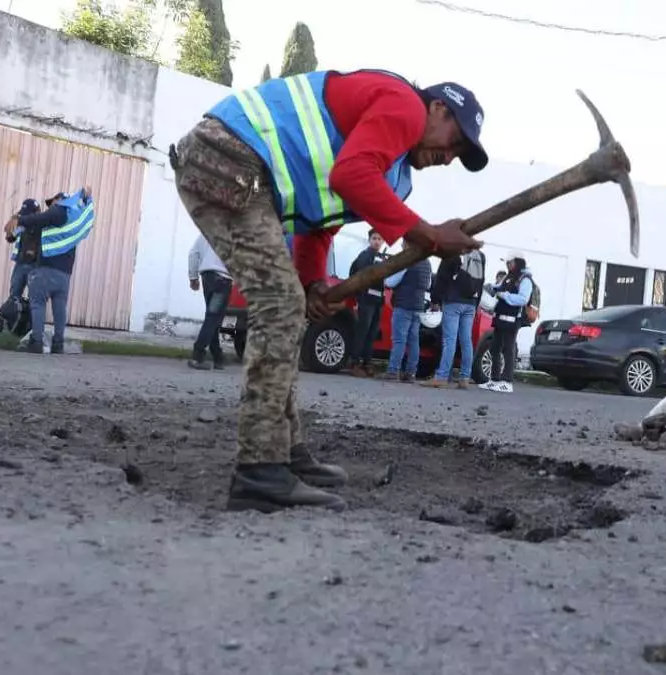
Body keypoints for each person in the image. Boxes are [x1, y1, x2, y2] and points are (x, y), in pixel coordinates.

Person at [169, 68, 486, 513]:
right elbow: (351, 176)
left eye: (459, 154)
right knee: (279, 306)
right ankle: (260, 472)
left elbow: (320, 220)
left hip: (233, 165)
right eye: (455, 141)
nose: (449, 156)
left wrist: (315, 282)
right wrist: (428, 235)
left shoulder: (391, 162)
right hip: (228, 157)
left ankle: (286, 453)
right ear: (437, 108)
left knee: (289, 305)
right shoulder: (405, 107)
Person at [3, 188, 95, 354]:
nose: (51, 205)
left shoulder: (59, 211)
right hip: (64, 275)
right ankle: (58, 344)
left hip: (46, 271)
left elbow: (44, 217)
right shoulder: (73, 222)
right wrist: (87, 199)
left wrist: (20, 219)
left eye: (53, 201)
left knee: (37, 305)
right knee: (59, 309)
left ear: (61, 200)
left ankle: (36, 342)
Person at [424, 248, 486, 388]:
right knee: (466, 340)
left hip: (453, 301)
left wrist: (435, 300)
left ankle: (442, 376)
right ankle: (464, 377)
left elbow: (442, 277)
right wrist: (476, 304)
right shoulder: (479, 255)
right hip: (471, 303)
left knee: (449, 340)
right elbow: (481, 280)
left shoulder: (452, 251)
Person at [481, 252, 534, 394]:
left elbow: (523, 299)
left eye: (510, 263)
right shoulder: (508, 276)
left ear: (518, 262)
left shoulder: (525, 279)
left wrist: (505, 296)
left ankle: (507, 381)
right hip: (500, 318)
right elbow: (499, 286)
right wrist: (492, 288)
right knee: (495, 348)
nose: (508, 265)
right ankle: (494, 379)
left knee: (508, 349)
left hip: (512, 319)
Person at [383, 240, 432, 382]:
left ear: (408, 244)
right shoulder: (427, 263)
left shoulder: (407, 261)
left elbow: (390, 282)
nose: (402, 246)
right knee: (414, 342)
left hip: (403, 305)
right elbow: (428, 284)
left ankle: (393, 372)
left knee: (399, 340)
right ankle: (410, 373)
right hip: (418, 307)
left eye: (403, 243)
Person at [187, 232, 233, 370]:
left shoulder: (207, 230)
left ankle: (218, 357)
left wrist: (193, 276)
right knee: (213, 318)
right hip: (222, 280)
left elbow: (193, 253)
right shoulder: (235, 232)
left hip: (207, 277)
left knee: (212, 318)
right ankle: (197, 356)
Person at [346, 230, 389, 377]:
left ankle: (367, 363)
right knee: (362, 333)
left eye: (379, 239)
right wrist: (358, 299)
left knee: (371, 334)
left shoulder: (382, 257)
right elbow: (358, 277)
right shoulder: (365, 256)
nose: (377, 241)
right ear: (369, 240)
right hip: (366, 301)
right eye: (374, 238)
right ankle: (354, 363)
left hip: (378, 301)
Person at [4, 198, 42, 301]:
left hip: (35, 265)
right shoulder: (22, 222)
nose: (26, 216)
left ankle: (30, 317)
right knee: (14, 295)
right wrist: (11, 227)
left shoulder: (43, 224)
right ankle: (13, 315)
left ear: (37, 212)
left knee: (34, 298)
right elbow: (10, 238)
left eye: (28, 214)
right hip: (20, 263)